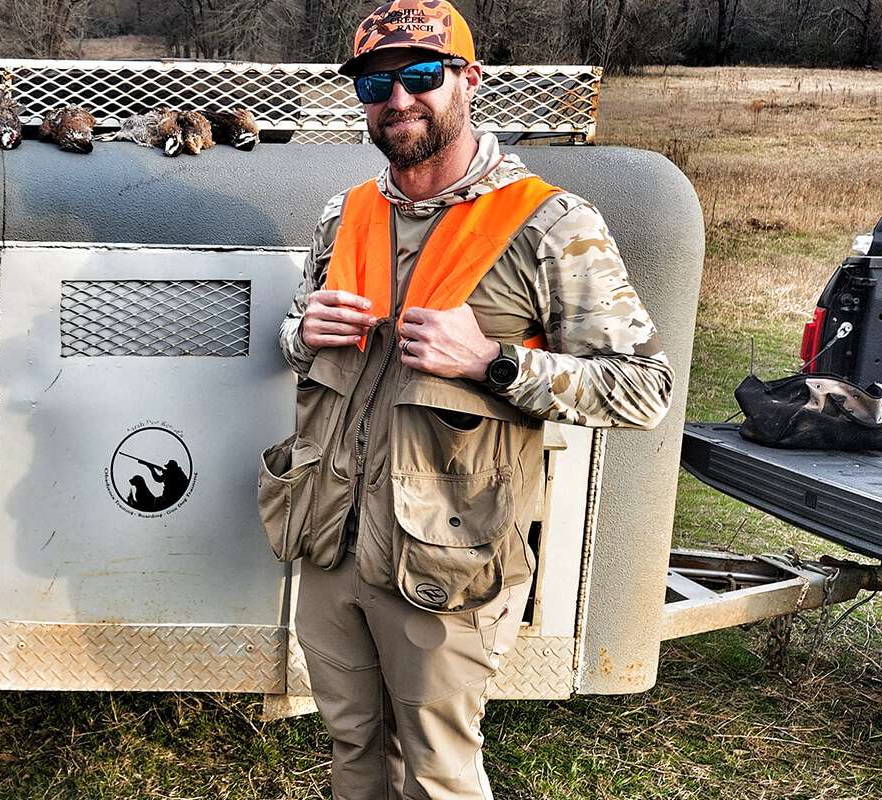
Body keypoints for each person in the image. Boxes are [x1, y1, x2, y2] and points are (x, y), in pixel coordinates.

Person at [262, 2, 674, 797]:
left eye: (421, 75)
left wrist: (494, 362)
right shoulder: (344, 215)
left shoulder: (550, 224)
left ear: (470, 80)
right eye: (375, 85)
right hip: (330, 540)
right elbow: (294, 345)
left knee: (438, 770)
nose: (398, 100)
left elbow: (644, 389)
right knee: (353, 749)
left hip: (446, 560)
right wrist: (301, 331)